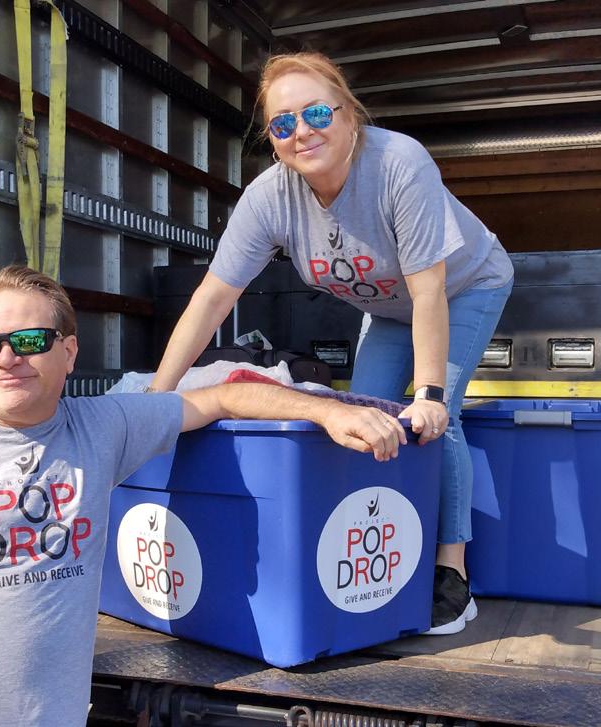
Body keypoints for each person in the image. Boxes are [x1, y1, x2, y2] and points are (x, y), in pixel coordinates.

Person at [0, 265, 406, 726]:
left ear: (69, 352)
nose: (6, 358)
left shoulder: (100, 427)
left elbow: (224, 396)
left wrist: (328, 411)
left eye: (29, 339)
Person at [150, 52, 514, 636]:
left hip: (463, 286)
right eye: (282, 123)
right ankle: (387, 552)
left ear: (350, 116)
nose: (302, 131)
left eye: (317, 113)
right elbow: (212, 299)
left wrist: (428, 394)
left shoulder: (398, 163)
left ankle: (452, 574)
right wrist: (158, 398)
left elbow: (428, 293)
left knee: (433, 419)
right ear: (272, 142)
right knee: (364, 415)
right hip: (387, 306)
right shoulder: (269, 198)